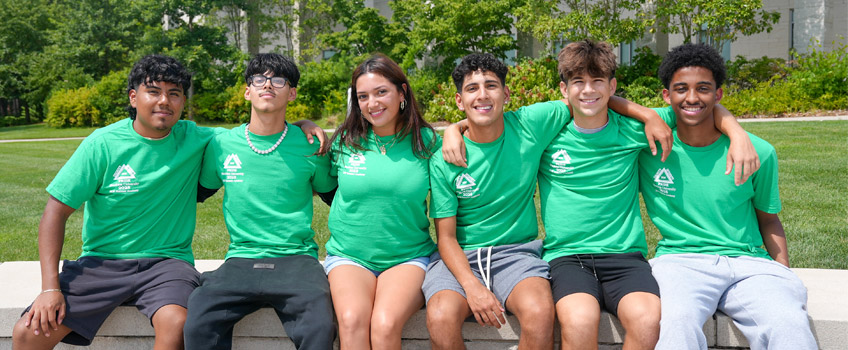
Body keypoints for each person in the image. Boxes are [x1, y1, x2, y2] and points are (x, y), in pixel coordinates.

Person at [539, 40, 759, 350]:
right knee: (579, 320)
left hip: (624, 256)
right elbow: (494, 125)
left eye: (598, 81)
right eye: (578, 82)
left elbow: (698, 106)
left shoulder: (634, 129)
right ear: (564, 90)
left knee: (648, 320)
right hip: (568, 257)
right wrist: (455, 129)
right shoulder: (548, 134)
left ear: (612, 86)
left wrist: (736, 132)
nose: (588, 90)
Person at [12, 54, 214, 350]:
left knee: (177, 322)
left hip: (167, 264)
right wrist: (50, 288)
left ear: (183, 101)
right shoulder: (102, 144)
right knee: (28, 332)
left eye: (174, 94)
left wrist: (300, 125)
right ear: (134, 97)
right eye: (154, 91)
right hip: (101, 264)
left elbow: (254, 134)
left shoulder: (195, 138)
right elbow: (54, 213)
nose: (165, 101)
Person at [640, 43, 817, 350]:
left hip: (748, 264)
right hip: (681, 262)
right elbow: (604, 100)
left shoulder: (757, 152)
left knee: (788, 322)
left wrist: (781, 272)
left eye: (704, 88)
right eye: (681, 89)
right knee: (676, 322)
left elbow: (769, 220)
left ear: (718, 95)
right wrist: (734, 126)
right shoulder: (647, 146)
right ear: (666, 96)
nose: (692, 97)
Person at [424, 53, 579, 350]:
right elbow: (446, 238)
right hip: (461, 257)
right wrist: (472, 287)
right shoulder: (446, 159)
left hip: (516, 254)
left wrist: (649, 116)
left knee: (539, 311)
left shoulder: (530, 125)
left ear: (506, 94)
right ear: (459, 101)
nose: (482, 95)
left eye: (491, 86)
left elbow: (586, 98)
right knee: (441, 316)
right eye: (472, 89)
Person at [183, 53, 337, 350]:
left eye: (278, 80)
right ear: (247, 90)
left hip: (297, 259)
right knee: (198, 320)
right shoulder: (222, 144)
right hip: (240, 258)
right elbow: (197, 193)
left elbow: (336, 197)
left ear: (291, 93)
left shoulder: (310, 145)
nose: (268, 85)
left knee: (319, 326)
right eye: (259, 79)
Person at [323, 54, 438, 350]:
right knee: (350, 319)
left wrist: (459, 129)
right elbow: (324, 185)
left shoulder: (427, 142)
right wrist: (303, 123)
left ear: (402, 93)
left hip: (407, 257)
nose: (372, 103)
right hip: (350, 256)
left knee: (385, 324)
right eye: (363, 96)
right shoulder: (345, 140)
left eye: (381, 92)